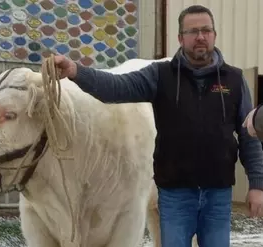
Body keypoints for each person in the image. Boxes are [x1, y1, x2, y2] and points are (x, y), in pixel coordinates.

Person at [53, 4, 263, 247]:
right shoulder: (160, 75)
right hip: (175, 196)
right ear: (180, 38)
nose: (200, 37)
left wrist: (257, 185)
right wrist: (76, 71)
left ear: (214, 34)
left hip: (218, 194)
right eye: (192, 32)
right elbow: (114, 88)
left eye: (206, 30)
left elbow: (250, 136)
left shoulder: (234, 79)